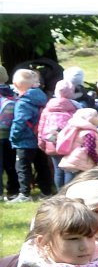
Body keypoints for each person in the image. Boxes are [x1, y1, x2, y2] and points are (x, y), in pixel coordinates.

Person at [9, 66, 51, 199]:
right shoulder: (43, 98)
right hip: (40, 138)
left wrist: (13, 137)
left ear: (16, 85)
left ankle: (24, 193)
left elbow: (20, 122)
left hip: (24, 140)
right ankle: (46, 191)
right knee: (42, 165)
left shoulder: (22, 103)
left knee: (22, 167)